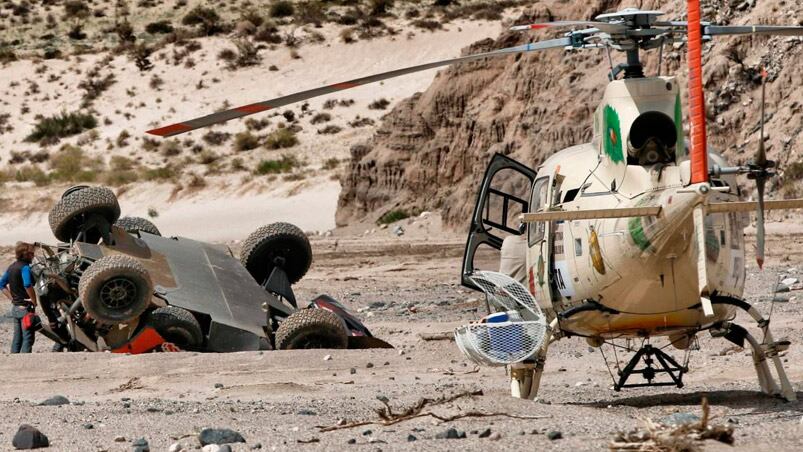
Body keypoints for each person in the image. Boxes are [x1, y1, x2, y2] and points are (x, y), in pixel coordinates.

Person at [1, 242, 38, 353]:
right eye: (31, 254)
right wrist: (33, 300)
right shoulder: (25, 268)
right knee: (28, 338)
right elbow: (27, 284)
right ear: (25, 254)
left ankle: (13, 361)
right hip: (25, 309)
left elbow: (1, 284)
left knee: (17, 338)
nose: (33, 256)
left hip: (16, 308)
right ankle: (25, 364)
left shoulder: (11, 267)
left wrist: (12, 299)